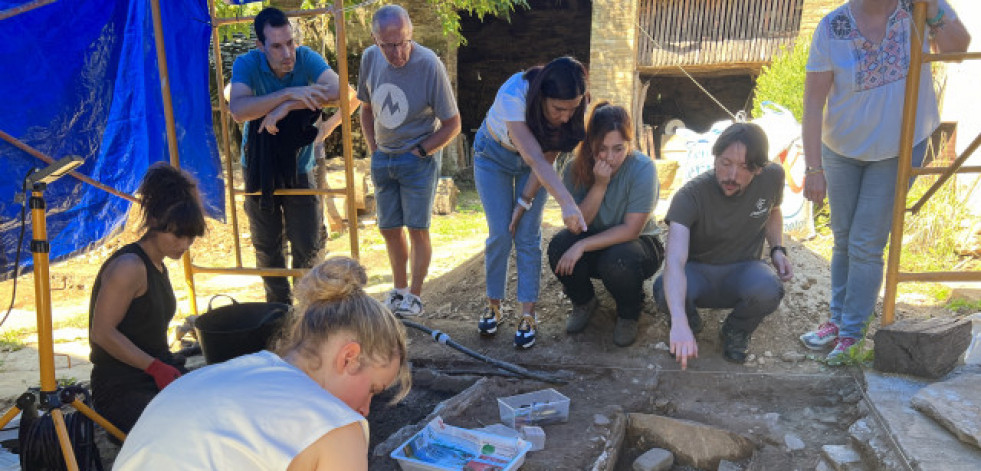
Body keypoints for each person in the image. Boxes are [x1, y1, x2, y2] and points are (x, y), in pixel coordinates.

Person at [113, 257, 411, 471]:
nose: (366, 409)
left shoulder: (205, 378)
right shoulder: (335, 427)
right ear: (349, 357)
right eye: (373, 388)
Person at [800, 0, 970, 364]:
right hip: (841, 148)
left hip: (898, 147)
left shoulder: (919, 9)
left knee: (865, 242)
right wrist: (813, 168)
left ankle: (852, 333)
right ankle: (838, 318)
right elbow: (813, 103)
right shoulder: (833, 27)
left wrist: (934, 13)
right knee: (843, 237)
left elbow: (959, 49)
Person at [228, 7, 358, 305]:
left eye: (290, 42)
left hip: (300, 165)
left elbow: (343, 92)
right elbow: (238, 110)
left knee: (307, 247)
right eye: (276, 46)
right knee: (267, 248)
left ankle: (310, 316)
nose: (287, 53)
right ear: (260, 46)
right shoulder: (246, 64)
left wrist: (288, 111)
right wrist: (291, 95)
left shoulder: (306, 57)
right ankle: (279, 316)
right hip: (259, 166)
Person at [653, 122, 794, 368]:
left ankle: (736, 330)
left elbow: (774, 209)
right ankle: (689, 323)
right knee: (662, 291)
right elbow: (674, 260)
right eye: (725, 163)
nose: (731, 176)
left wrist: (777, 249)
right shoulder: (690, 196)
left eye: (744, 167)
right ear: (715, 158)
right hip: (697, 273)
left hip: (743, 270)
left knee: (769, 289)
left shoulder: (773, 177)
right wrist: (678, 321)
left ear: (759, 168)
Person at [473, 56, 589, 349]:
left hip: (534, 166)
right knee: (500, 232)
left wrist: (523, 202)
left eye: (572, 109)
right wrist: (567, 204)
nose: (565, 116)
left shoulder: (573, 108)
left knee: (527, 235)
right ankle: (494, 306)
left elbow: (547, 156)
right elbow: (534, 156)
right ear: (541, 97)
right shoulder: (515, 94)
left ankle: (527, 316)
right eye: (558, 109)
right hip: (492, 156)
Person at [358, 4, 461, 317]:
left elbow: (452, 124)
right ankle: (399, 289)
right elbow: (365, 108)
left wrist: (421, 151)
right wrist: (374, 148)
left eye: (402, 42)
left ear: (410, 34)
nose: (397, 52)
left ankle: (415, 296)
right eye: (388, 45)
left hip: (418, 157)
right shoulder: (369, 58)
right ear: (375, 40)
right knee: (389, 228)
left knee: (417, 228)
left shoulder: (429, 64)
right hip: (383, 157)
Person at [88, 163, 206, 435]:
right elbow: (102, 333)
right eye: (178, 235)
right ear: (155, 223)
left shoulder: (159, 264)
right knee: (179, 432)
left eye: (190, 237)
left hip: (155, 372)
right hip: (120, 385)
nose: (185, 245)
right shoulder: (129, 266)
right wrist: (153, 367)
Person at [547, 103, 663, 347]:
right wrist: (600, 185)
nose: (610, 158)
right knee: (558, 247)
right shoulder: (574, 169)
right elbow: (578, 226)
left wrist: (582, 247)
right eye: (602, 149)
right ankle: (584, 301)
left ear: (629, 143)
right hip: (596, 238)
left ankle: (629, 312)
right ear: (591, 144)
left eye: (618, 149)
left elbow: (632, 229)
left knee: (617, 259)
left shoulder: (643, 169)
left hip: (639, 244)